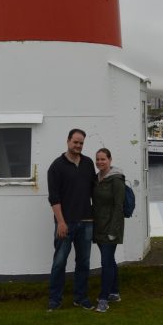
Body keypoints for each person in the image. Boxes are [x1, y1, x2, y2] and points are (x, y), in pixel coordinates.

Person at [47, 128, 96, 311]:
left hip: (86, 222)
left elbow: (94, 191)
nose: (78, 146)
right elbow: (54, 198)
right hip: (65, 224)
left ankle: (81, 298)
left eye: (81, 143)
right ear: (68, 141)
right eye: (75, 142)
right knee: (59, 262)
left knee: (83, 262)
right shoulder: (56, 167)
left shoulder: (88, 163)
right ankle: (55, 300)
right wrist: (60, 222)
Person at [92, 148, 126, 313]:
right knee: (110, 260)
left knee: (106, 263)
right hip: (99, 226)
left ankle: (104, 299)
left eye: (103, 159)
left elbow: (119, 207)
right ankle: (114, 292)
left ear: (110, 160)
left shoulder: (116, 180)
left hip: (111, 228)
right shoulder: (97, 178)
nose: (99, 162)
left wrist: (113, 230)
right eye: (97, 159)